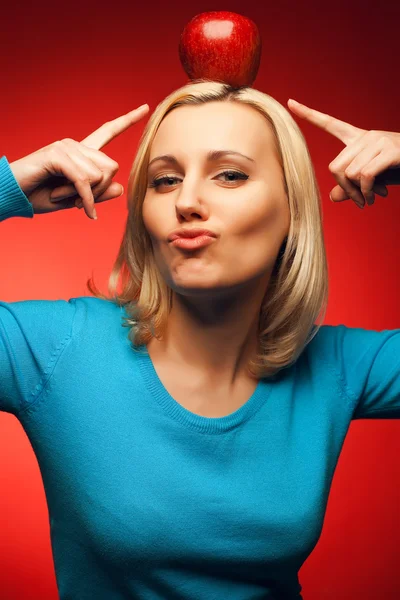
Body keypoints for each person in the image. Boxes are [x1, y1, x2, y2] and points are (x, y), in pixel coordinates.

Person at [1, 79, 399, 600]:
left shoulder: (342, 369)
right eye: (164, 181)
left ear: (293, 207)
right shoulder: (52, 350)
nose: (186, 201)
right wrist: (6, 188)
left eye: (230, 175)